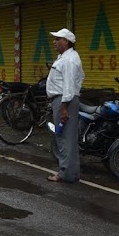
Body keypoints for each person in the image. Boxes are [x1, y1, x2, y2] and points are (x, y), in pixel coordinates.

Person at [46, 28, 85, 183]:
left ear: (67, 42)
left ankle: (65, 174)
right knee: (68, 138)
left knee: (63, 138)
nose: (54, 42)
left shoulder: (69, 60)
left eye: (58, 39)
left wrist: (64, 108)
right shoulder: (67, 57)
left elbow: (68, 85)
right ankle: (72, 173)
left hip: (64, 101)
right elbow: (81, 77)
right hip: (64, 99)